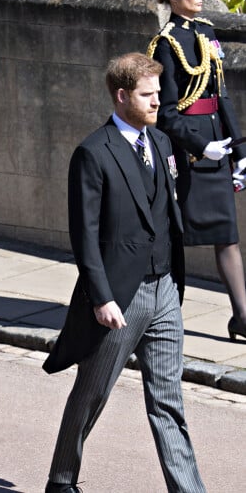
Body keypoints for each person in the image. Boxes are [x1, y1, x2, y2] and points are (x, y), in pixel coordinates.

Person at [42, 53, 205, 493]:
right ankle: (61, 481)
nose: (158, 102)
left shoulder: (164, 145)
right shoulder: (93, 153)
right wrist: (101, 297)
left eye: (157, 93)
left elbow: (170, 209)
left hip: (165, 290)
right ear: (121, 96)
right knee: (91, 395)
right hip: (119, 298)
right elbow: (85, 235)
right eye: (147, 95)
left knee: (169, 401)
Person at [147, 0, 246, 342]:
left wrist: (239, 151)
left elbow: (222, 97)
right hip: (190, 153)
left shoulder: (205, 33)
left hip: (217, 148)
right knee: (177, 239)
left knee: (228, 236)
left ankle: (242, 315)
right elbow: (166, 113)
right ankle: (165, 316)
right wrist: (202, 146)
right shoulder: (165, 44)